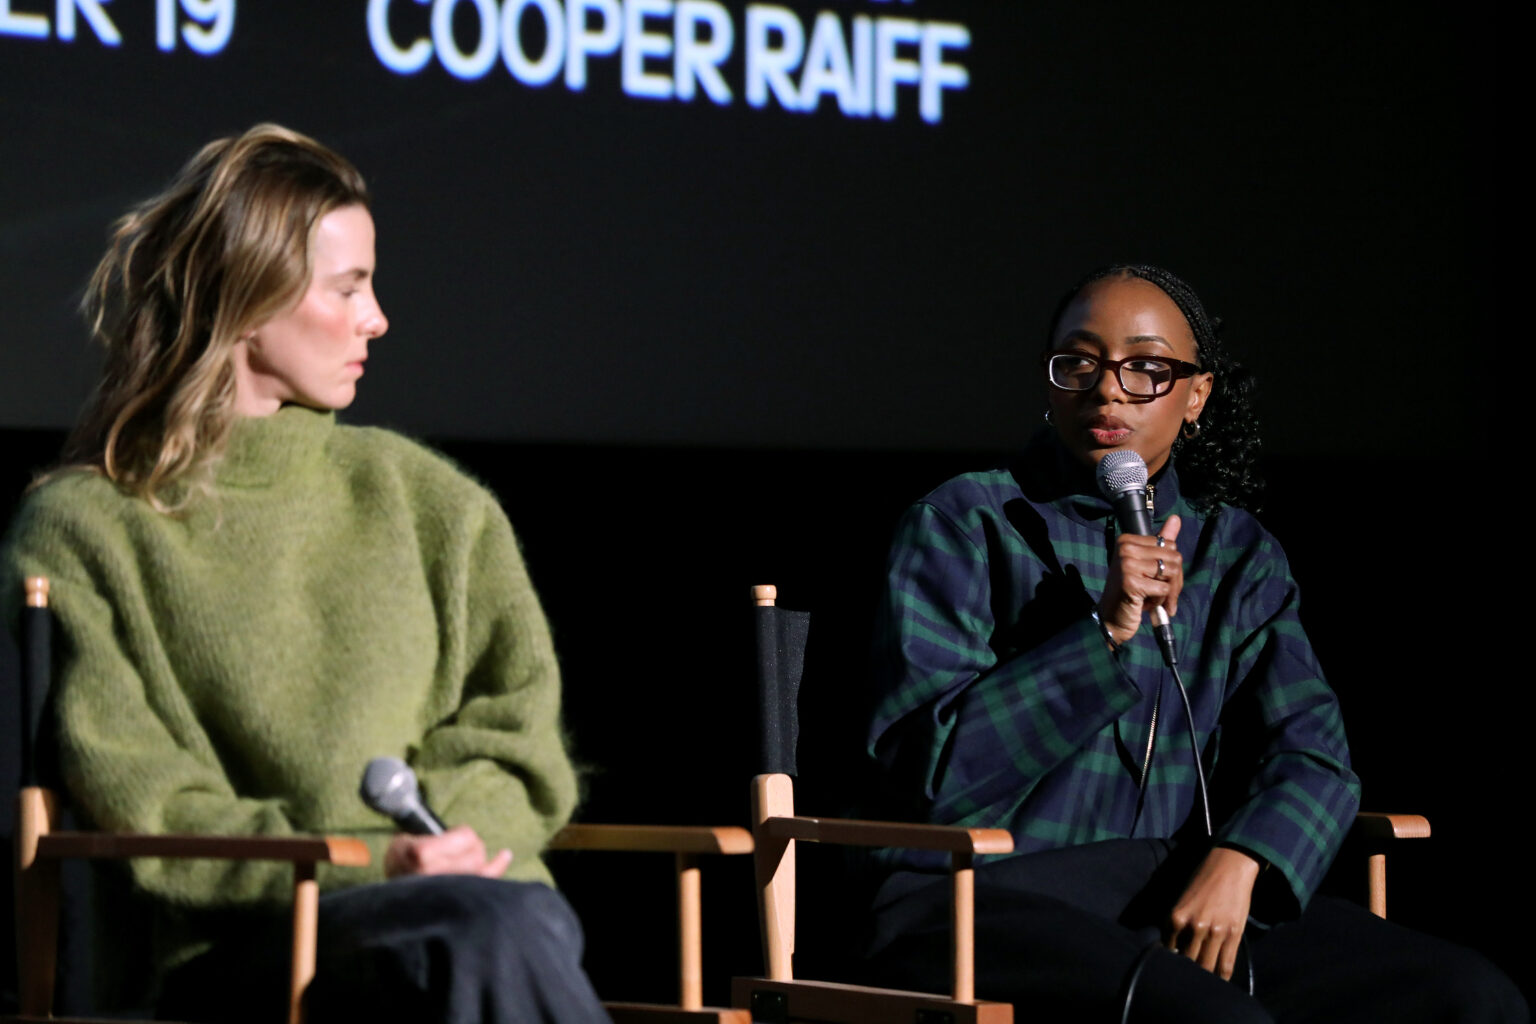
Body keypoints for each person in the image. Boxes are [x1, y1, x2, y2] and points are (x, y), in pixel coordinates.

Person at [1, 124, 609, 1023]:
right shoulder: (87, 530)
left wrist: (444, 844)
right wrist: (363, 859)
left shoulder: (430, 502)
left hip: (482, 913)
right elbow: (152, 802)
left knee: (499, 921)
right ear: (247, 300)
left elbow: (514, 739)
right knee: (487, 932)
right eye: (350, 288)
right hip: (249, 946)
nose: (379, 319)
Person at [860, 265, 1526, 1022]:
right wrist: (1103, 634)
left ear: (1196, 395)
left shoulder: (1236, 554)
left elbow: (1314, 756)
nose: (1108, 389)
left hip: (1159, 893)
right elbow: (928, 774)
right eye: (1079, 362)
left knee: (1468, 998)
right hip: (973, 896)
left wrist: (1246, 859)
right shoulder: (964, 522)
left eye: (1146, 368)